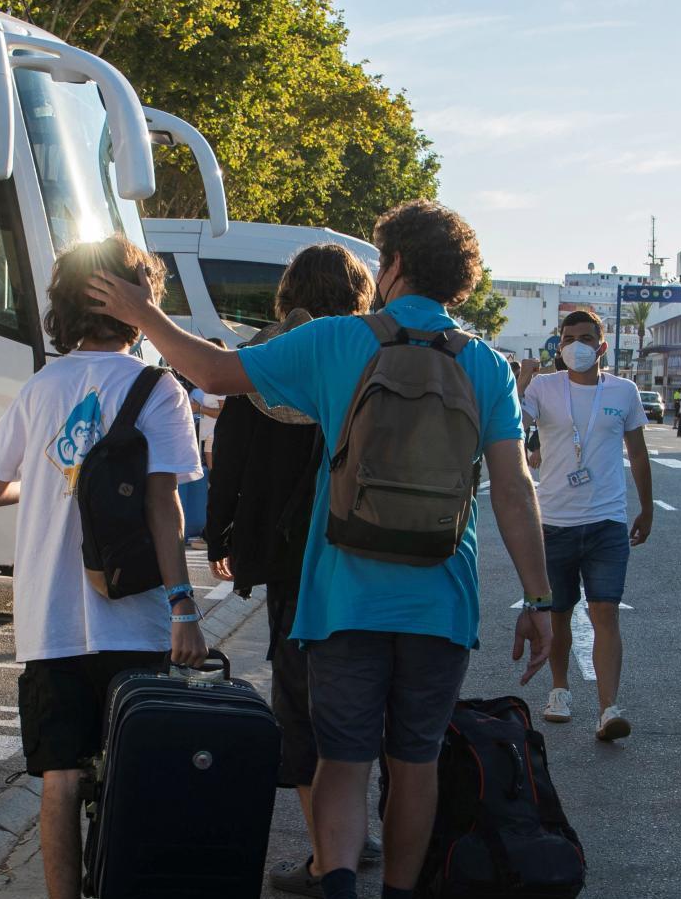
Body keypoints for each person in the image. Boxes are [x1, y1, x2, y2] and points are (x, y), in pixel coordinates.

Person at [85, 199, 555, 899]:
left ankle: (336, 886)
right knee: (415, 759)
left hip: (342, 595)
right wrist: (540, 599)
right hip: (440, 596)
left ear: (393, 265)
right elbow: (515, 490)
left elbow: (214, 374)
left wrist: (142, 313)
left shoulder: (340, 340)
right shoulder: (485, 365)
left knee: (342, 757)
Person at [0, 235, 208, 899]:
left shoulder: (40, 389)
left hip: (49, 619)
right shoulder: (159, 391)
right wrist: (184, 610)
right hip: (134, 618)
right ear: (138, 303)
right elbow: (165, 506)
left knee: (59, 777)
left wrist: (47, 486)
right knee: (138, 770)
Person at [203, 244, 381, 896]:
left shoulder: (268, 353)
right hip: (361, 548)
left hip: (287, 555)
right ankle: (350, 831)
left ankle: (321, 853)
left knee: (298, 700)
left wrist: (219, 529)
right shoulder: (368, 352)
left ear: (289, 291)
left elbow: (233, 451)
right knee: (357, 688)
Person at [522, 310, 653, 741]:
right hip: (554, 522)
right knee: (558, 615)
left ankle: (608, 708)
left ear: (602, 345)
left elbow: (637, 451)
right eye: (568, 337)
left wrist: (647, 507)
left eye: (585, 337)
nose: (575, 344)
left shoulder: (624, 391)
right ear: (558, 345)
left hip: (606, 522)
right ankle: (559, 691)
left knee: (605, 612)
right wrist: (522, 381)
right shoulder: (543, 387)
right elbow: (513, 429)